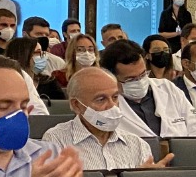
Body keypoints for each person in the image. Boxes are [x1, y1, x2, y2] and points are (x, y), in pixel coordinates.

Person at [42, 67, 172, 171]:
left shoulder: (137, 145)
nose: (112, 106)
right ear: (77, 105)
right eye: (101, 99)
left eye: (115, 97)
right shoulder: (56, 140)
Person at [100, 40, 196, 139]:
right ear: (111, 78)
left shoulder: (168, 88)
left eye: (143, 74)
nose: (139, 81)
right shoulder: (106, 107)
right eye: (131, 79)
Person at [5, 36, 66, 104]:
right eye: (37, 53)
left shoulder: (48, 82)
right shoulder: (6, 84)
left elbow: (62, 106)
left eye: (43, 53)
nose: (43, 56)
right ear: (23, 56)